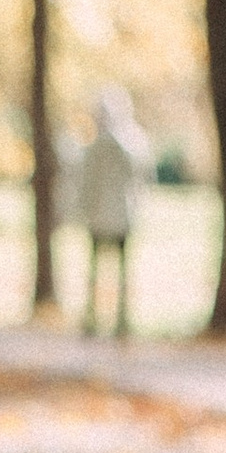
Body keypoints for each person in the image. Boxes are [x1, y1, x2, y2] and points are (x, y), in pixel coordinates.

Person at [78, 93, 144, 335]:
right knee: (98, 269)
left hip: (116, 215)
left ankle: (119, 319)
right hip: (106, 215)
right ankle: (96, 317)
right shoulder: (115, 143)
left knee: (118, 270)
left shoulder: (123, 142)